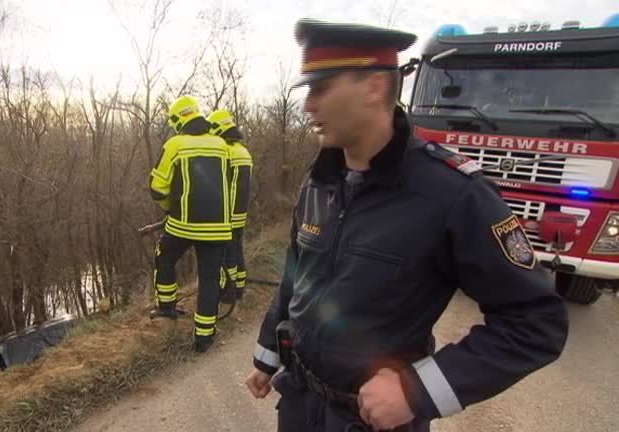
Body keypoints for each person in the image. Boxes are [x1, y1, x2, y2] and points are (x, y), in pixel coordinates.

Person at [244, 18, 569, 432]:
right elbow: (296, 275)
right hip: (299, 406)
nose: (308, 105)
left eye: (321, 88)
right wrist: (267, 357)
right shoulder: (320, 180)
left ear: (375, 87)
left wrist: (418, 391)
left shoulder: (453, 194)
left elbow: (536, 323)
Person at [149, 95, 232, 353]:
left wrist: (170, 209)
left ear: (177, 120)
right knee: (209, 279)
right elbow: (227, 184)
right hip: (218, 226)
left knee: (164, 258)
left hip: (183, 224)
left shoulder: (175, 144)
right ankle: (203, 338)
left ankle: (166, 307)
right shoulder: (221, 145)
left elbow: (157, 188)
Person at [207, 109, 253, 303]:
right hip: (240, 212)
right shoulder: (243, 151)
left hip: (227, 213)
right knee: (237, 248)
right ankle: (240, 288)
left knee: (227, 254)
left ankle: (229, 291)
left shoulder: (225, 152)